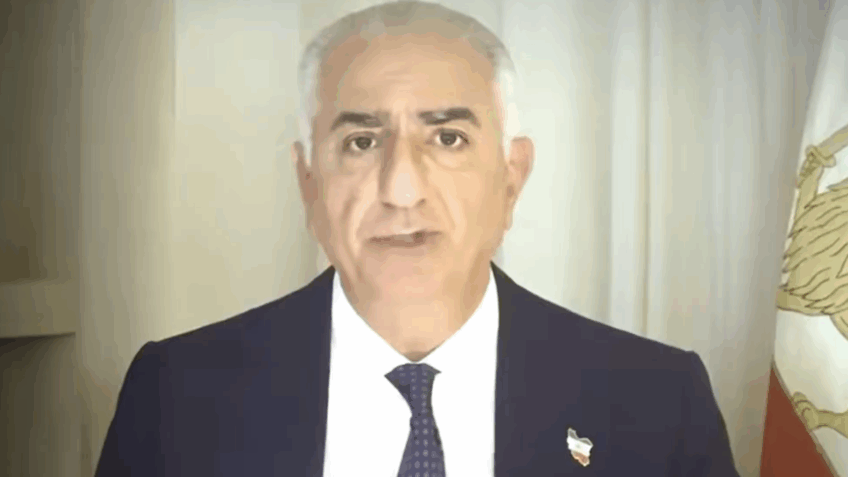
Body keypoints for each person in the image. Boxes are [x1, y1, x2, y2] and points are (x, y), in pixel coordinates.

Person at [95, 2, 740, 476]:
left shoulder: (659, 403)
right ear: (309, 184)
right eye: (361, 141)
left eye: (448, 138)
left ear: (511, 178)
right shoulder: (175, 397)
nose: (401, 189)